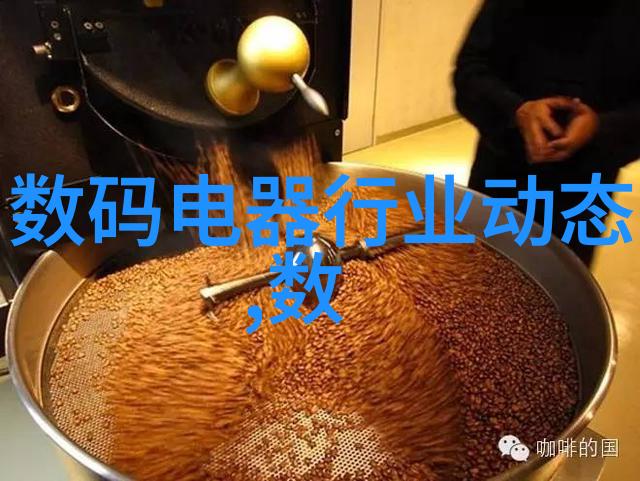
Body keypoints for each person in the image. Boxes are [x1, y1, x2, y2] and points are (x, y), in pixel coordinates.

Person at [454, 0, 640, 265]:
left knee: (563, 280)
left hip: (584, 187)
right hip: (501, 173)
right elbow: (470, 71)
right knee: (478, 271)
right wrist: (516, 110)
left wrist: (601, 127)